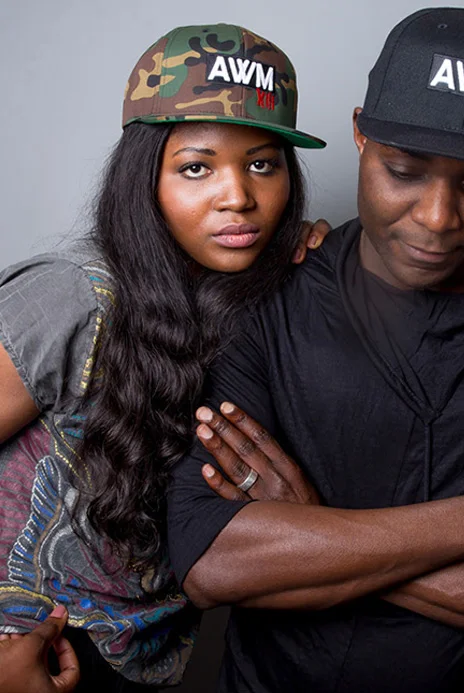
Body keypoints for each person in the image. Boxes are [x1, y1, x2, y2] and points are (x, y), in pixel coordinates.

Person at [166, 5, 464, 692]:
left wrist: (314, 533)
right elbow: (211, 560)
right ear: (360, 134)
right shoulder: (269, 294)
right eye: (404, 171)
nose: (437, 217)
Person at [0, 23, 327, 690]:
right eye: (196, 167)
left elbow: (455, 256)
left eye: (263, 164)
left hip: (137, 666)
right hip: (26, 653)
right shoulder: (76, 294)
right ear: (143, 177)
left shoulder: (268, 296)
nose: (238, 196)